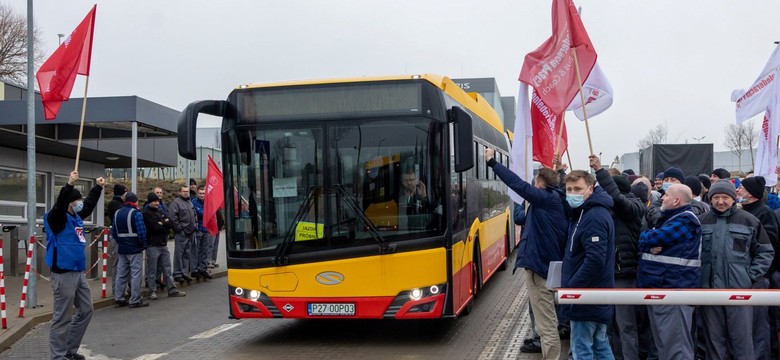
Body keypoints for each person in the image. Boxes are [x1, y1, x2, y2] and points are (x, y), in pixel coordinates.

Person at [485, 148, 567, 360]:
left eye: (535, 181)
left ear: (540, 184)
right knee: (546, 320)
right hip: (546, 265)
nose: (532, 184)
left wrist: (493, 162)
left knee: (546, 324)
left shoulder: (546, 199)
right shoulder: (555, 200)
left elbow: (516, 184)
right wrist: (558, 168)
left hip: (540, 268)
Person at [698, 180, 774, 360]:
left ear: (733, 198)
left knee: (742, 342)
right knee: (714, 342)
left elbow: (765, 251)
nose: (720, 201)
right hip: (709, 292)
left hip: (739, 292)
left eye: (725, 197)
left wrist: (751, 276)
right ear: (710, 199)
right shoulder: (701, 221)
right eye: (716, 197)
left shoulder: (749, 220)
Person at [44, 171, 105, 360]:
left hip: (78, 273)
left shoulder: (76, 217)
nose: (80, 203)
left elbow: (87, 206)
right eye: (77, 200)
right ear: (70, 202)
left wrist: (98, 187)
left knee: (86, 310)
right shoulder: (57, 218)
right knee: (62, 317)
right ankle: (58, 356)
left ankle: (69, 350)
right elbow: (60, 205)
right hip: (63, 273)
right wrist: (69, 185)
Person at [590, 155, 646, 360]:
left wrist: (600, 172)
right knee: (608, 328)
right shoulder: (607, 209)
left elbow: (617, 200)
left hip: (624, 276)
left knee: (626, 328)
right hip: (606, 275)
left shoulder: (633, 206)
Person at [637, 184, 701, 360]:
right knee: (665, 346)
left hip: (674, 291)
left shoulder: (685, 220)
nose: (662, 198)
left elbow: (653, 238)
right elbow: (646, 240)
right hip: (663, 287)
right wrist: (649, 244)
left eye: (665, 195)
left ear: (676, 200)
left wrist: (648, 240)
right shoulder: (670, 219)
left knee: (676, 348)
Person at [560, 169, 615, 359]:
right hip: (593, 295)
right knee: (600, 345)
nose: (573, 193)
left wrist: (572, 287)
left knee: (582, 349)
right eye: (569, 189)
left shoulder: (593, 217)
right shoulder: (584, 212)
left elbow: (595, 260)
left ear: (590, 189)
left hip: (586, 296)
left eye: (578, 189)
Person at [735, 176, 779, 360]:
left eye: (741, 188)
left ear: (751, 193)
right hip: (744, 275)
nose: (737, 190)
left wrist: (757, 273)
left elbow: (769, 246)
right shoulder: (742, 210)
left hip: (759, 277)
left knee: (759, 324)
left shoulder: (764, 213)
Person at [142, 192, 186, 300]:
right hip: (152, 245)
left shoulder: (160, 211)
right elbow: (155, 228)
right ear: (149, 202)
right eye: (154, 201)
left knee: (167, 268)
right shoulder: (146, 213)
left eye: (157, 201)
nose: (157, 203)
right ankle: (152, 291)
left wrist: (163, 224)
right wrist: (163, 224)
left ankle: (172, 289)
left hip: (163, 244)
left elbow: (170, 223)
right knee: (152, 270)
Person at [111, 192, 149, 308]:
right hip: (135, 248)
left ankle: (119, 298)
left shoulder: (117, 213)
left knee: (121, 274)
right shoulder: (136, 213)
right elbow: (142, 232)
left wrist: (121, 242)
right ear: (135, 202)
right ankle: (134, 299)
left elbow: (114, 233)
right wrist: (143, 245)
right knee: (136, 274)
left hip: (122, 248)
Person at [169, 186, 196, 284]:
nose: (186, 193)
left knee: (187, 254)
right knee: (179, 254)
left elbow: (194, 214)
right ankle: (177, 274)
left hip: (190, 232)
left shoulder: (189, 202)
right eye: (183, 191)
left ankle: (184, 273)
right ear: (179, 192)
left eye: (187, 191)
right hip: (182, 233)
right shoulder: (175, 203)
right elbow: (173, 218)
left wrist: (195, 224)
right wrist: (180, 229)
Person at [106, 184, 127, 297]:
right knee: (118, 264)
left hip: (121, 237)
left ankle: (121, 289)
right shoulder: (115, 205)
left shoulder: (120, 204)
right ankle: (116, 290)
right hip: (118, 237)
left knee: (123, 264)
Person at [397, 163, 431, 230]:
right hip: (403, 231)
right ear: (401, 181)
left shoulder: (423, 193)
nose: (409, 183)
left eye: (411, 180)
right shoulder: (397, 195)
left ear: (417, 180)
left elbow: (430, 211)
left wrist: (424, 197)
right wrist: (406, 199)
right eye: (405, 180)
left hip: (422, 231)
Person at [190, 185, 213, 280]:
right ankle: (194, 270)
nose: (202, 195)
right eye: (200, 193)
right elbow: (199, 213)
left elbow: (211, 213)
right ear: (197, 193)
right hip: (198, 230)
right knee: (196, 250)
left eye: (203, 193)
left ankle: (202, 268)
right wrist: (206, 213)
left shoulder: (207, 203)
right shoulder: (194, 202)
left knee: (204, 250)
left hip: (206, 230)